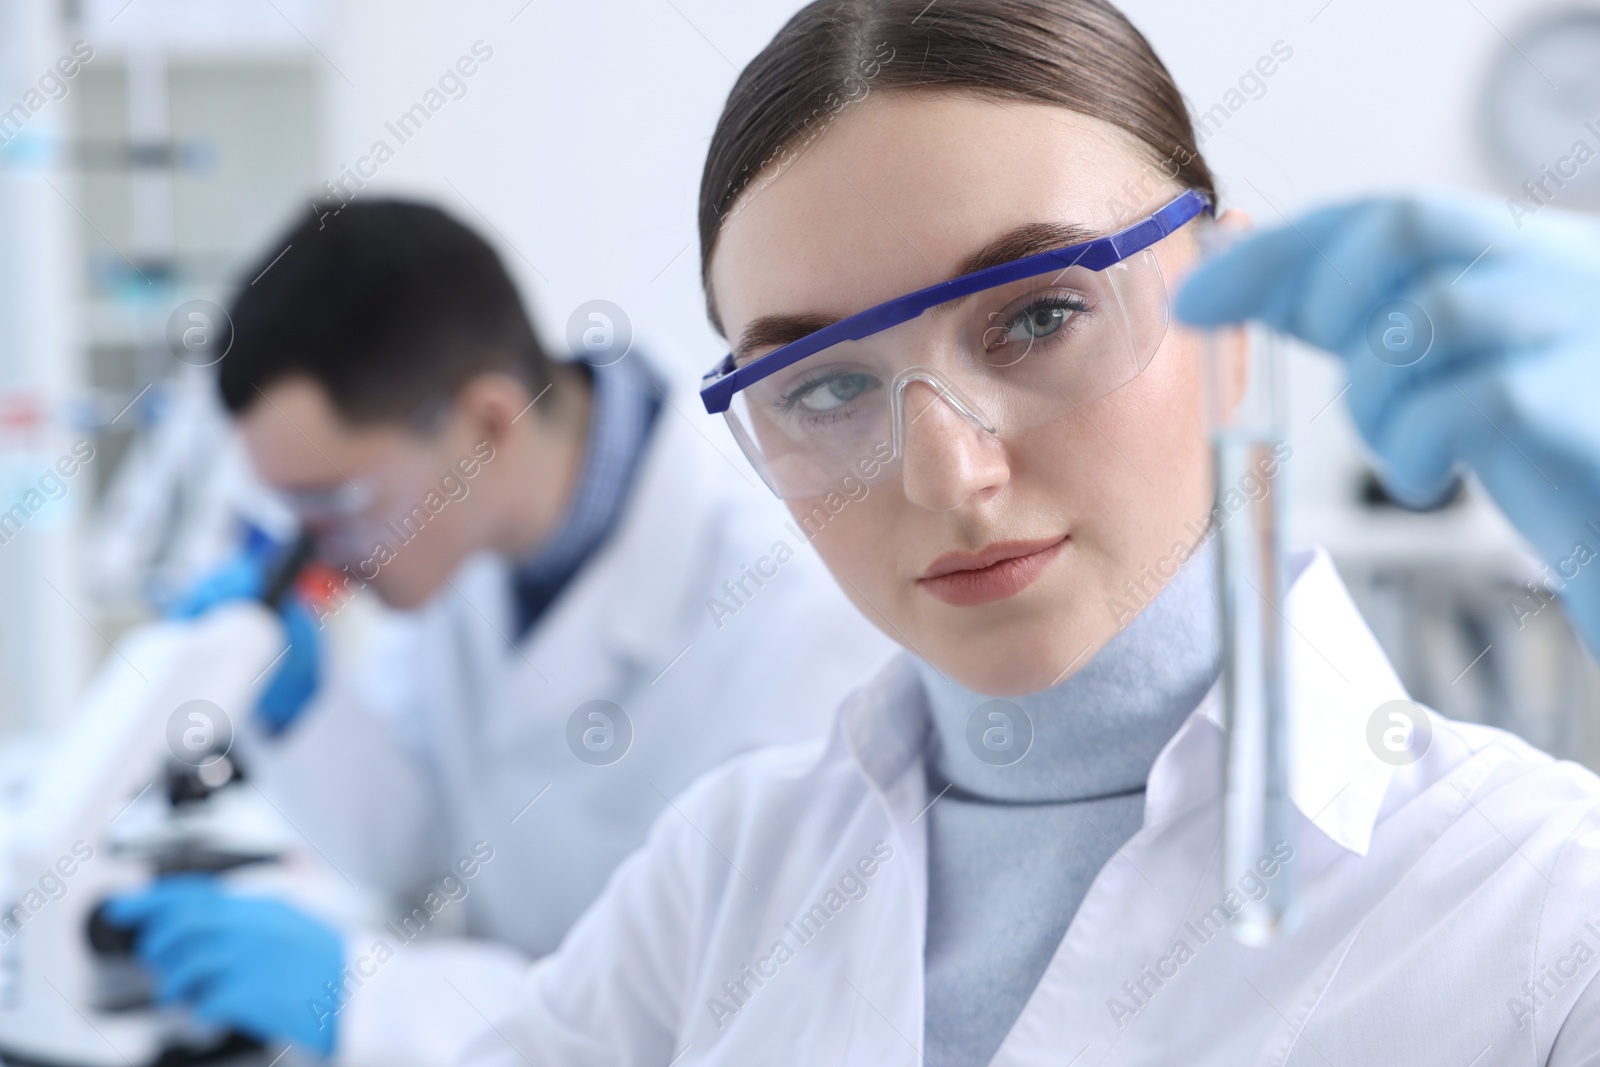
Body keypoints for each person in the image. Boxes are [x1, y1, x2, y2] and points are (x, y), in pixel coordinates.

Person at [457, 1, 1600, 1064]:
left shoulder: (1538, 899)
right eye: (822, 388)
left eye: (1038, 316)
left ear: (1232, 319)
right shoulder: (727, 872)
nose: (949, 476)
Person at [103, 201, 896, 1065]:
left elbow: (728, 1018)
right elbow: (418, 853)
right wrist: (306, 707)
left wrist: (370, 999)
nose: (309, 550)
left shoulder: (796, 605)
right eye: (288, 511)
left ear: (486, 425)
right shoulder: (460, 539)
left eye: (332, 503)